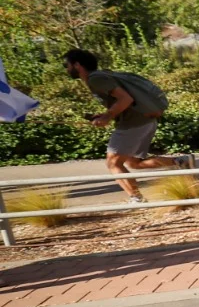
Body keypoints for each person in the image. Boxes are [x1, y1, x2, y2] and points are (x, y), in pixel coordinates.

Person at [65, 49, 187, 204]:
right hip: (145, 120)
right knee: (133, 163)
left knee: (113, 163)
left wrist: (108, 117)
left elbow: (126, 99)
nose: (66, 69)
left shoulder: (95, 79)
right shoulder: (102, 75)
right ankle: (181, 162)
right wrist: (104, 115)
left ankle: (136, 198)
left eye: (67, 65)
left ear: (77, 65)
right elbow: (123, 102)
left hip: (133, 123)